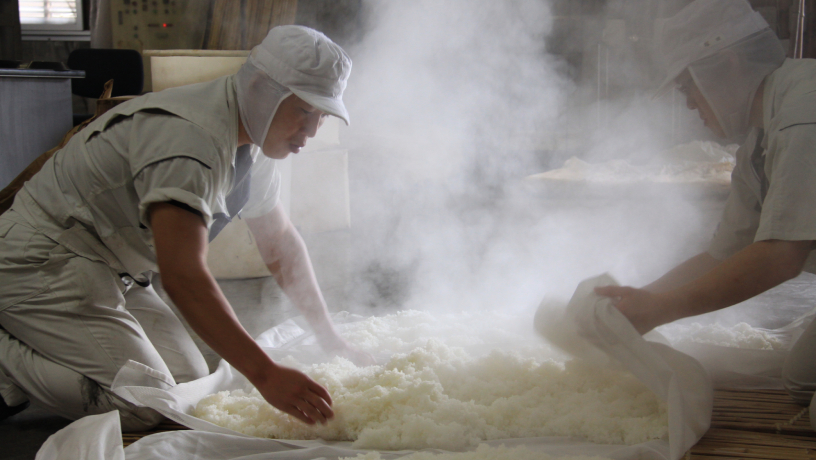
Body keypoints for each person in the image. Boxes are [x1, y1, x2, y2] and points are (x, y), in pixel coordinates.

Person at [0, 25, 373, 430]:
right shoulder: (191, 137)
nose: (313, 130)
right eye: (304, 110)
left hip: (113, 268)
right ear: (264, 90)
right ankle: (5, 370)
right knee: (147, 406)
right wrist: (265, 374)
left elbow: (280, 243)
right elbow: (183, 276)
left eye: (321, 115)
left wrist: (331, 339)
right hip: (42, 258)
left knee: (190, 386)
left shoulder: (255, 141)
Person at [595, 0, 816, 411]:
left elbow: (779, 257)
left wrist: (659, 310)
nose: (689, 105)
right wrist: (638, 300)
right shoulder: (760, 138)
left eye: (688, 87)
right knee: (804, 380)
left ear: (727, 63)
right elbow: (724, 254)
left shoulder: (803, 117)